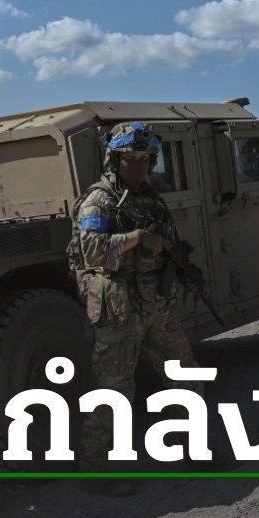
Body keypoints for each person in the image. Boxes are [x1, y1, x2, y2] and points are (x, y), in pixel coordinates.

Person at [67, 121, 206, 496]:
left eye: (146, 159)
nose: (140, 166)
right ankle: (95, 471)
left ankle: (195, 450)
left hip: (154, 303)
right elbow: (90, 251)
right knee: (114, 393)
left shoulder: (152, 199)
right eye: (132, 158)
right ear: (115, 159)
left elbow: (169, 243)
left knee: (186, 374)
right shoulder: (98, 201)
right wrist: (137, 238)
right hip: (118, 309)